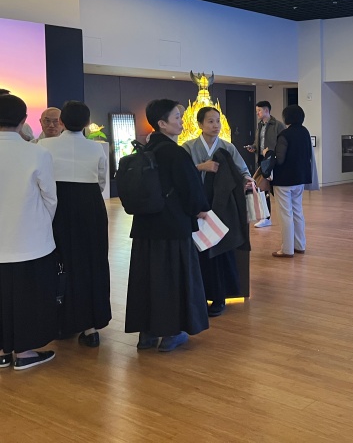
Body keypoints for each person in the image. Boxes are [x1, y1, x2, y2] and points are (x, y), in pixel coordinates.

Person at [125, 99, 210, 351]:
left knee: (147, 279)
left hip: (145, 227)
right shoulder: (175, 153)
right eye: (176, 117)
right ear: (162, 123)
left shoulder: (145, 149)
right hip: (172, 226)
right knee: (172, 278)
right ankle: (172, 333)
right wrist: (199, 209)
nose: (181, 122)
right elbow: (191, 190)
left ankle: (147, 334)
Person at [39, 101, 111, 346]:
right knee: (92, 261)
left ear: (61, 121)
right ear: (87, 123)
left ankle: (60, 321)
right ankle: (91, 326)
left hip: (57, 204)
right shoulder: (96, 148)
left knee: (58, 260)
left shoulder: (44, 146)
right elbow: (101, 182)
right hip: (90, 206)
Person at [0, 94, 58, 370]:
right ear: (24, 120)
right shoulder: (37, 153)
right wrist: (42, 224)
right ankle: (24, 353)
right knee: (29, 295)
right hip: (30, 239)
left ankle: (2, 352)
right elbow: (50, 197)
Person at [183, 107, 252, 317]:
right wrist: (200, 167)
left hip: (223, 207)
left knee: (222, 251)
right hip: (198, 206)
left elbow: (243, 171)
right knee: (200, 251)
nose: (215, 126)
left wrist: (247, 181)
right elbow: (181, 174)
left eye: (218, 121)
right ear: (200, 124)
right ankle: (200, 296)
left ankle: (220, 296)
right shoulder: (188, 147)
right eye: (210, 121)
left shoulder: (227, 147)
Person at [271, 104, 312, 258]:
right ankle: (300, 245)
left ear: (286, 118)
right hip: (300, 178)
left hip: (284, 180)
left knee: (285, 214)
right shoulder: (305, 132)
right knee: (297, 211)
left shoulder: (284, 134)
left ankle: (287, 249)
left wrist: (268, 153)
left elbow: (280, 159)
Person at [245, 100, 285, 227]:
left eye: (259, 111)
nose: (257, 113)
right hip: (262, 160)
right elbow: (258, 142)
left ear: (266, 110)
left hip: (273, 161)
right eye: (257, 111)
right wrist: (253, 147)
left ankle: (284, 215)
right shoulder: (260, 125)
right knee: (262, 189)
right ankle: (266, 217)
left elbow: (282, 143)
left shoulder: (278, 125)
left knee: (275, 189)